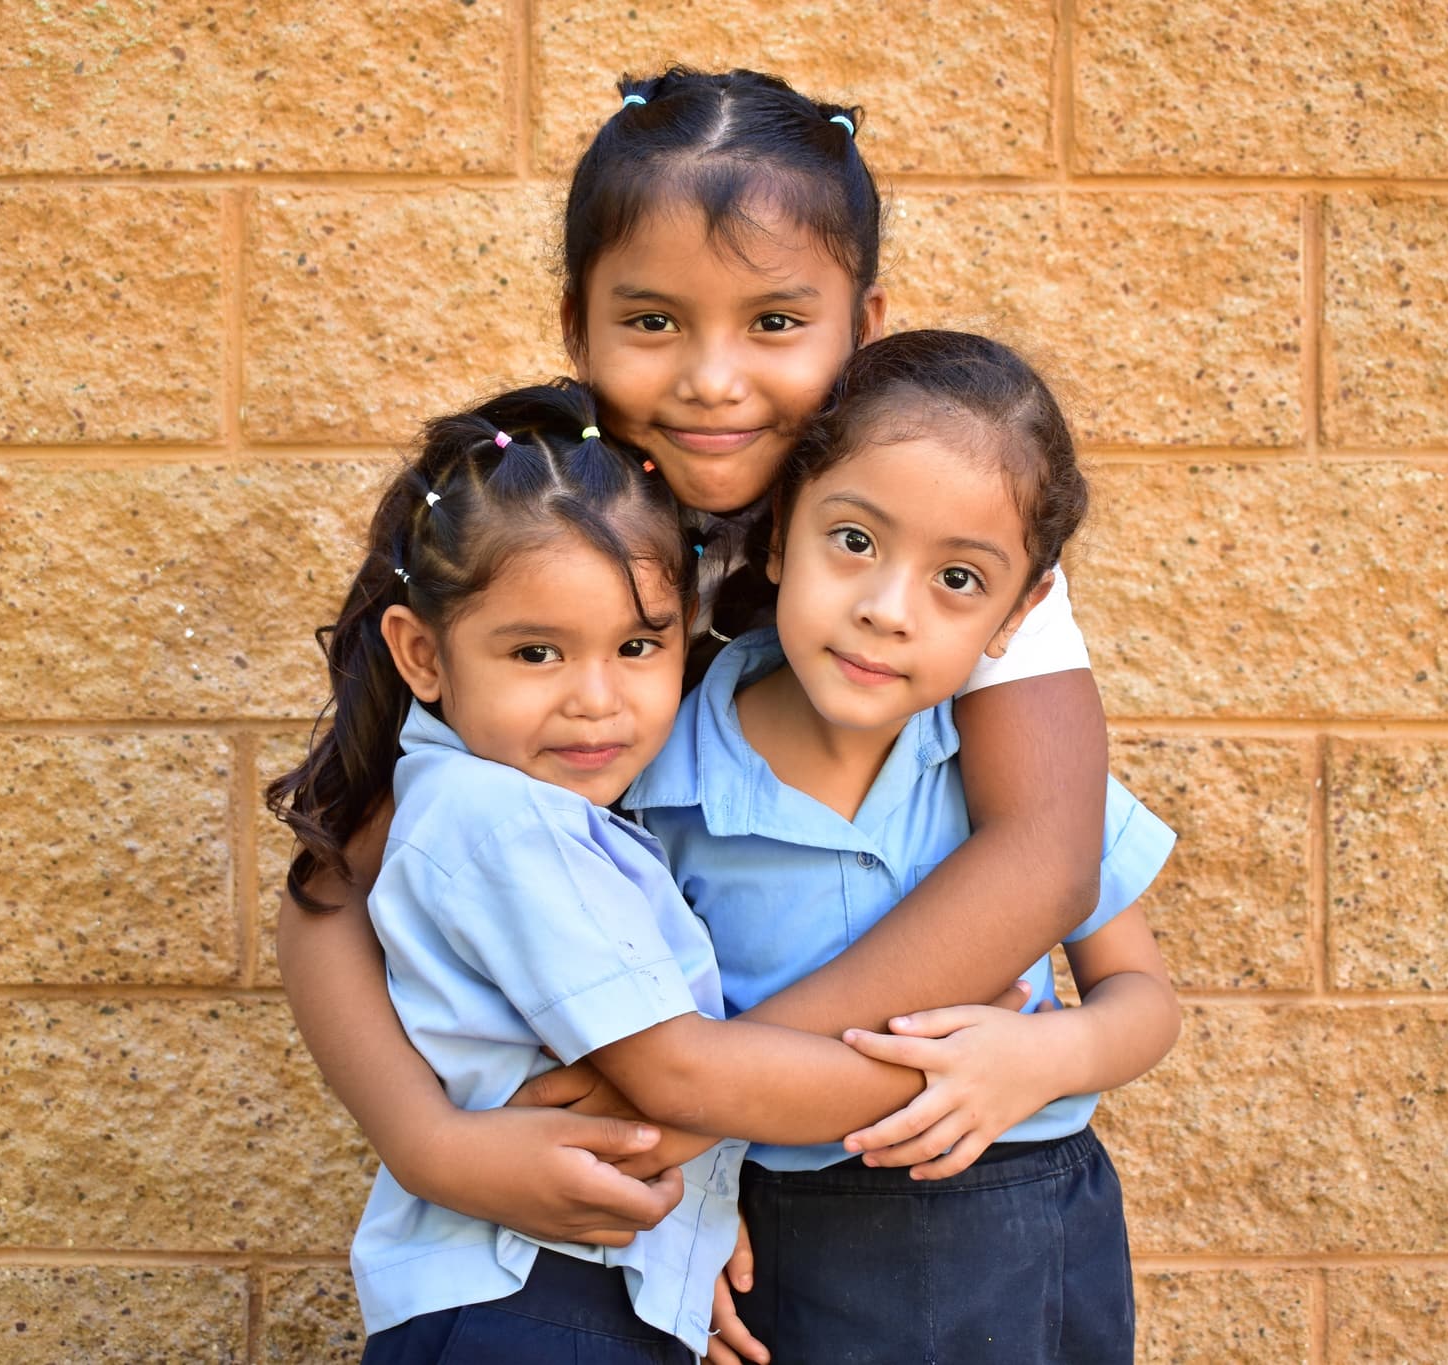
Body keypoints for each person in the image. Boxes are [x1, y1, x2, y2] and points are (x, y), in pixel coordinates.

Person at [276, 67, 1144, 1264]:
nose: (713, 379)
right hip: (652, 1209)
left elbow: (1043, 863)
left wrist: (689, 1102)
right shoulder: (524, 521)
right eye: (652, 322)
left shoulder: (938, 536)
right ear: (577, 322)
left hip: (818, 1163)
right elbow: (331, 888)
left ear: (864, 322)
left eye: (775, 323)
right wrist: (431, 1146)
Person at [268, 380, 955, 1362]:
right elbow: (678, 1073)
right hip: (529, 1303)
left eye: (638, 646)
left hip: (552, 1295)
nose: (596, 701)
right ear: (422, 655)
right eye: (537, 652)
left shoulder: (510, 805)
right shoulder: (508, 823)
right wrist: (938, 1073)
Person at [629, 330, 1179, 1363]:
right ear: (782, 532)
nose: (887, 610)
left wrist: (1047, 1053)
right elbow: (649, 1042)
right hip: (781, 1238)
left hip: (1021, 1221)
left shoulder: (1014, 778)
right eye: (854, 543)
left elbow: (1141, 999)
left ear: (1019, 614)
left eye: (958, 581)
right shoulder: (662, 786)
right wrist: (683, 1209)